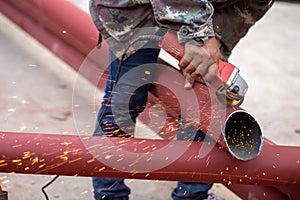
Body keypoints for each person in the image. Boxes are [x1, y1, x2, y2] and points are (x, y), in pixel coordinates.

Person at [89, 0, 273, 199]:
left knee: (203, 103)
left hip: (202, 9)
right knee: (126, 99)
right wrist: (198, 33)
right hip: (133, 8)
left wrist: (211, 40)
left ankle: (191, 195)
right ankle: (110, 195)